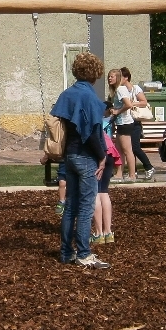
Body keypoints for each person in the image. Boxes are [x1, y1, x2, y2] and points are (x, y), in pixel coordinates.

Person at [51, 52, 110, 269]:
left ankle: (67, 253)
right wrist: (102, 156)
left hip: (69, 156)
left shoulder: (67, 94)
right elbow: (92, 133)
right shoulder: (90, 97)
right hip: (86, 158)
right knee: (86, 208)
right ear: (95, 73)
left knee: (70, 207)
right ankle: (84, 254)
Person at [91, 102, 122, 245]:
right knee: (104, 192)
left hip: (100, 154)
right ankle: (108, 232)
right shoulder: (103, 121)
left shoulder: (89, 122)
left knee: (95, 193)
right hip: (111, 152)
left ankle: (98, 233)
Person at [120, 67, 156, 180]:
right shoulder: (120, 90)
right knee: (129, 149)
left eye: (120, 76)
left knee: (135, 147)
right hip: (126, 122)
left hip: (135, 122)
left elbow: (144, 102)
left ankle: (149, 167)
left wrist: (132, 103)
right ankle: (133, 171)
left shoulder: (135, 88)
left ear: (126, 78)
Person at [107, 68, 136, 183]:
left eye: (112, 76)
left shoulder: (120, 89)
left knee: (127, 150)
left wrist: (117, 111)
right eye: (109, 76)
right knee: (118, 149)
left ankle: (132, 175)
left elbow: (128, 104)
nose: (109, 78)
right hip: (120, 123)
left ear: (118, 78)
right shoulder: (117, 90)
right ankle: (119, 174)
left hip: (125, 122)